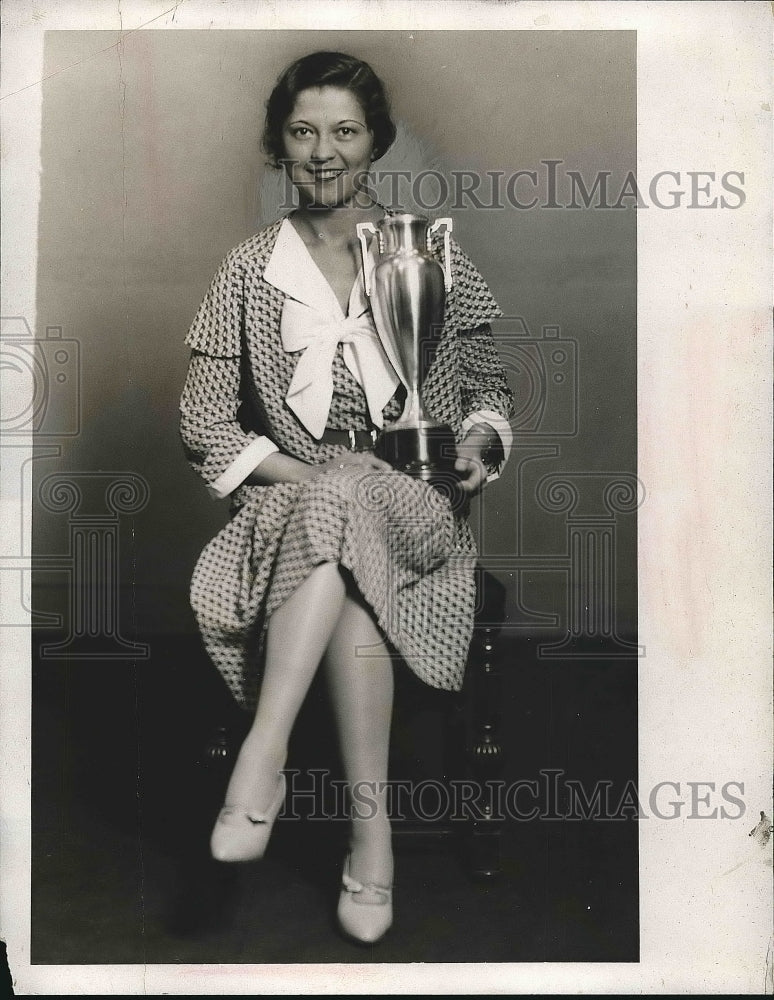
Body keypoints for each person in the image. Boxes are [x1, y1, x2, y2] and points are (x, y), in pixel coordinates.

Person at [179, 50, 514, 945]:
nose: (322, 152)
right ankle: (374, 844)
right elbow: (205, 424)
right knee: (338, 510)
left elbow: (487, 385)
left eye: (344, 132)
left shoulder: (427, 253)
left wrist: (480, 439)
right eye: (302, 132)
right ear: (277, 145)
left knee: (358, 500)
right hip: (289, 511)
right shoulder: (246, 271)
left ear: (375, 145)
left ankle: (264, 756)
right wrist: (318, 477)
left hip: (415, 510)